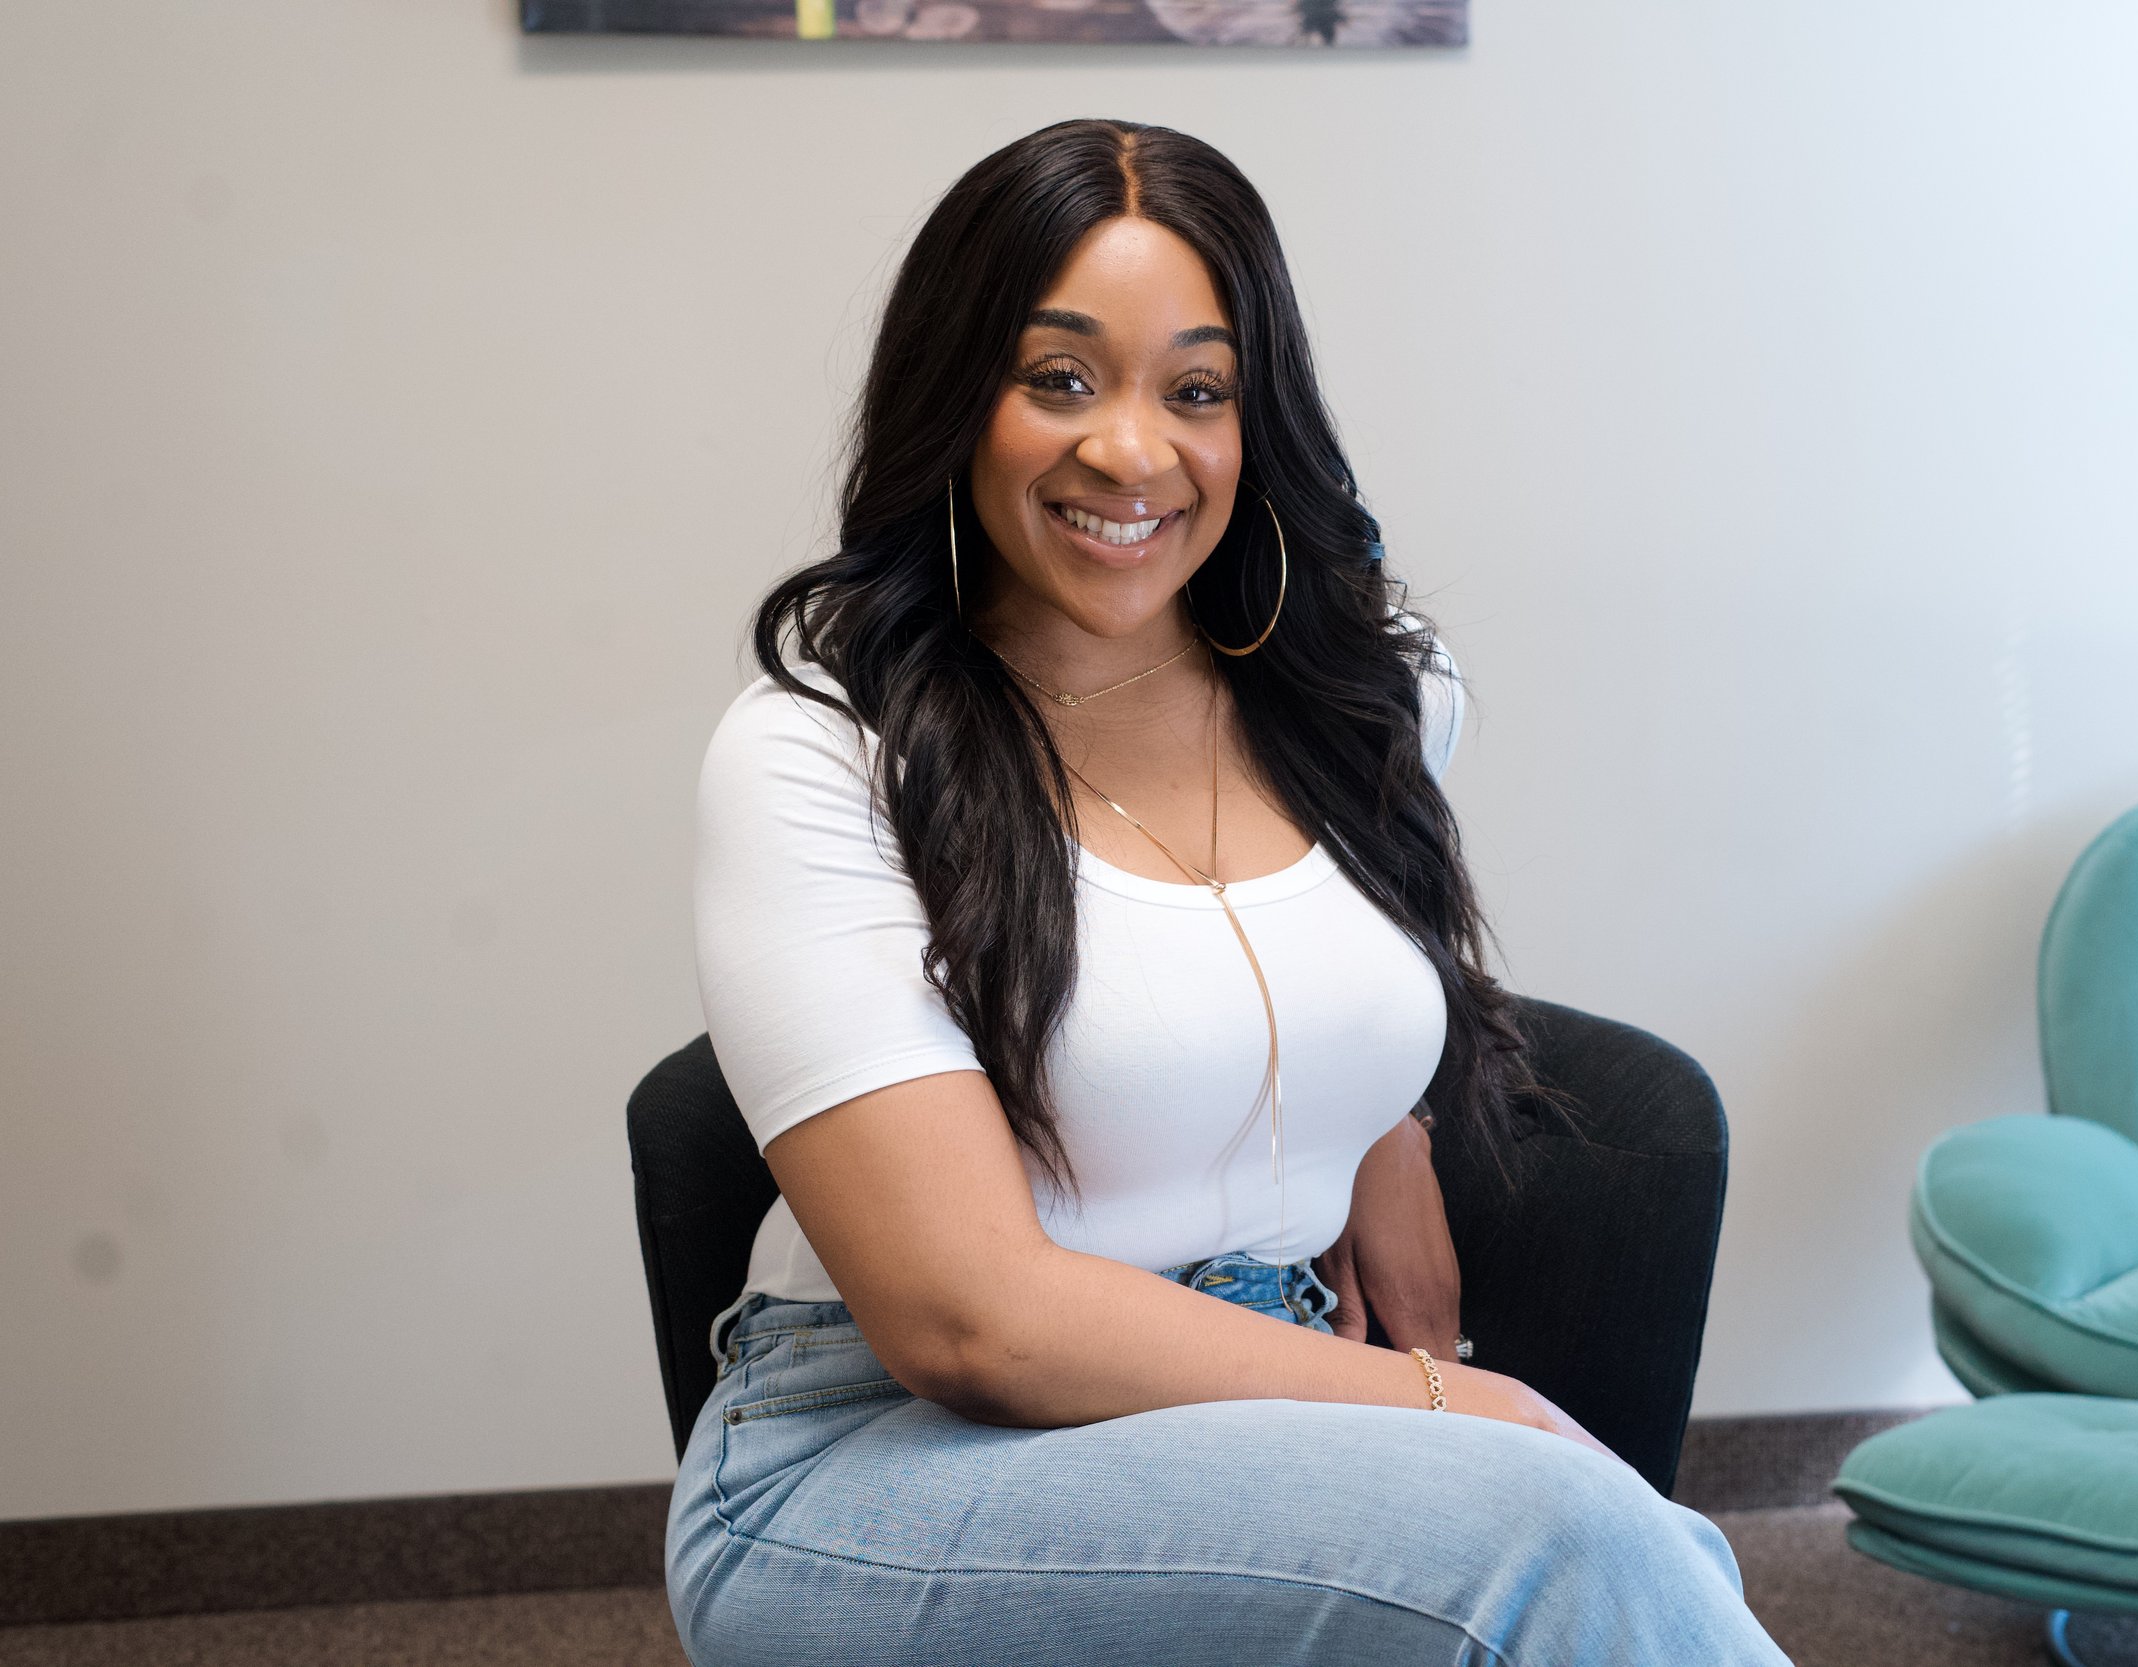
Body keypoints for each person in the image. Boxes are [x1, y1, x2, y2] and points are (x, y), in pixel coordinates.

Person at [666, 116, 1791, 1667]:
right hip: (876, 1460)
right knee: (1559, 1545)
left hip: (1263, 1387)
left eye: (1197, 391)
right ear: (955, 396)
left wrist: (1382, 1127)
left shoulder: (1366, 692)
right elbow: (964, 1319)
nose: (1131, 452)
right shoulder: (820, 751)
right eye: (1060, 378)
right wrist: (1461, 1402)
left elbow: (1305, 946)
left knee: (1646, 1557)